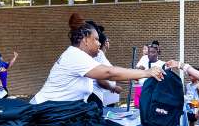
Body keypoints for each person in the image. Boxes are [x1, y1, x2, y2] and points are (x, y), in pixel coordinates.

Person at [30, 13, 164, 105]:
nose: (99, 43)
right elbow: (109, 73)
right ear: (85, 40)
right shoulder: (75, 56)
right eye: (95, 39)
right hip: (43, 112)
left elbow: (111, 74)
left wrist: (135, 77)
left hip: (55, 112)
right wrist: (146, 72)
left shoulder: (79, 56)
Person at [86, 22, 122, 109]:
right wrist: (113, 88)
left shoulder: (96, 55)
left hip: (97, 95)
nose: (99, 43)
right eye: (96, 39)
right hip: (93, 96)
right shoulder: (97, 54)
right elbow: (101, 78)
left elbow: (109, 74)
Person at [134, 41, 164, 108]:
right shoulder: (144, 58)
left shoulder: (162, 64)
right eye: (149, 52)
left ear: (157, 52)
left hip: (155, 91)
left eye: (153, 52)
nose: (150, 54)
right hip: (142, 87)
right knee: (140, 106)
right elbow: (138, 70)